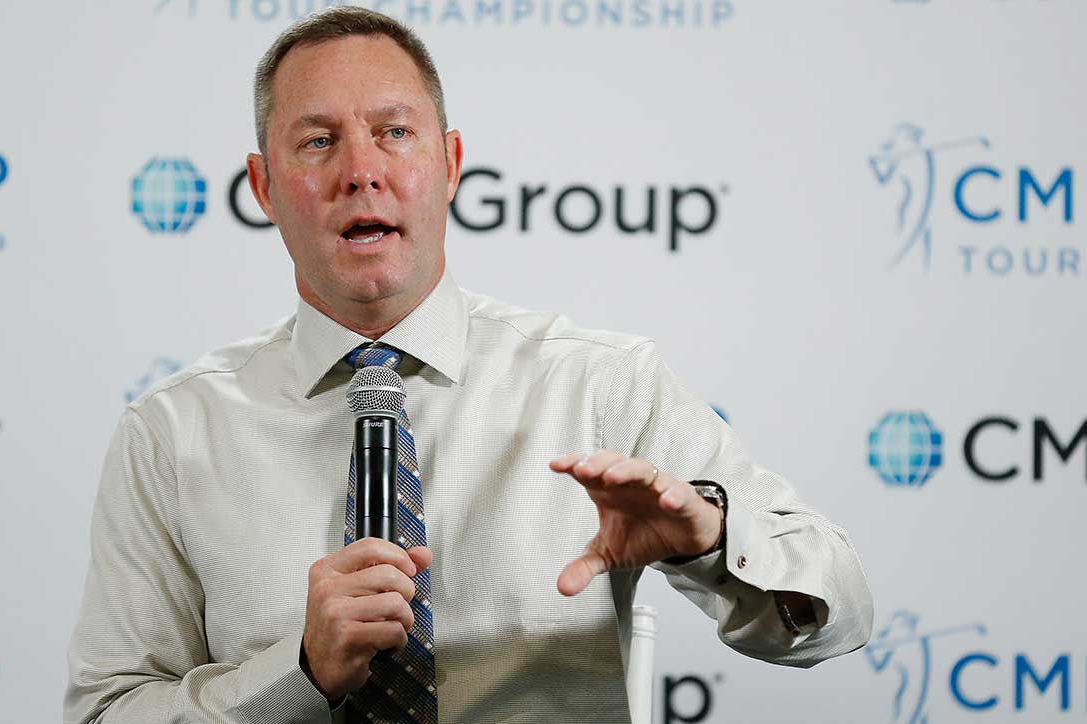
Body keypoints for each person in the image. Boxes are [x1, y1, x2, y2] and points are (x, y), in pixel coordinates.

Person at [64, 7, 873, 723]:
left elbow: (840, 609)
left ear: (450, 164)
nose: (361, 170)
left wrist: (707, 538)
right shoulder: (172, 432)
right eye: (318, 142)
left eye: (394, 132)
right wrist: (297, 673)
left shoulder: (599, 385)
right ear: (264, 186)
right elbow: (108, 712)